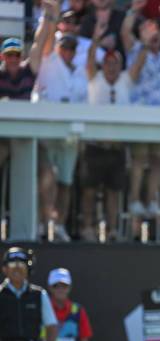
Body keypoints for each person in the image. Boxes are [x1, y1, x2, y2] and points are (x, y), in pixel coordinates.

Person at [79, 18, 147, 241]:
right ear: (103, 65)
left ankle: (112, 230)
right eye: (107, 62)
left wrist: (144, 43)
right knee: (89, 191)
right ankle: (87, 228)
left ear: (119, 65)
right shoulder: (94, 78)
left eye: (115, 63)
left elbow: (138, 64)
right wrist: (96, 39)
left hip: (117, 147)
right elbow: (89, 60)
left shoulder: (126, 80)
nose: (111, 66)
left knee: (113, 192)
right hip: (94, 145)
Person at [33, 3, 89, 242]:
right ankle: (42, 223)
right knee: (47, 178)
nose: (67, 51)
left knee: (65, 182)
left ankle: (59, 225)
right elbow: (41, 40)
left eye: (71, 48)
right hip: (47, 131)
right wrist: (50, 14)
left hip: (70, 136)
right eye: (64, 46)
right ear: (57, 46)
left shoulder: (80, 72)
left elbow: (84, 104)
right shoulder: (48, 59)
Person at [122, 0, 160, 217]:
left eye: (157, 32)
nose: (154, 35)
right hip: (139, 115)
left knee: (157, 160)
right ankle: (134, 201)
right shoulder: (134, 48)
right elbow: (133, 74)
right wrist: (134, 11)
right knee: (139, 160)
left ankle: (152, 200)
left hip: (159, 115)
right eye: (149, 30)